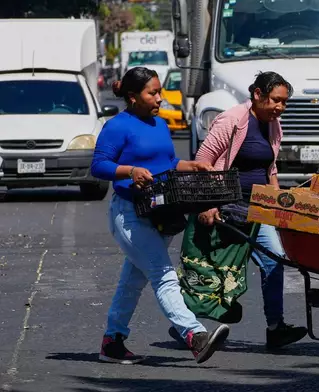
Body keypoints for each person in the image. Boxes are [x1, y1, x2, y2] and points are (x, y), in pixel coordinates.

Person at [91, 67, 229, 365]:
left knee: (133, 282)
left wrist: (192, 165)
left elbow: (167, 162)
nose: (159, 98)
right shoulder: (118, 126)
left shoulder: (159, 124)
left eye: (159, 92)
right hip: (129, 214)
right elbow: (99, 165)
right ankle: (195, 335)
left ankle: (112, 341)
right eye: (152, 93)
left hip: (160, 212)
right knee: (163, 274)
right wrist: (130, 171)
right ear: (132, 97)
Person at [169, 71, 308, 350]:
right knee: (213, 268)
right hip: (227, 206)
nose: (280, 107)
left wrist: (277, 204)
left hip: (259, 208)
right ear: (257, 95)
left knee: (274, 260)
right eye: (275, 100)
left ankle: (275, 327)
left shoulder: (273, 124)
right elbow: (203, 161)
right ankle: (183, 326)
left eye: (284, 102)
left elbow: (271, 168)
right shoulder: (232, 120)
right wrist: (208, 204)